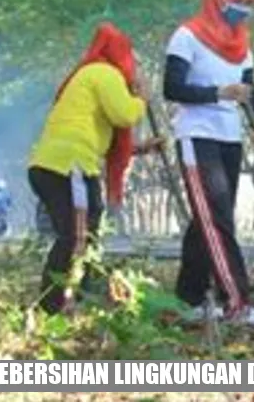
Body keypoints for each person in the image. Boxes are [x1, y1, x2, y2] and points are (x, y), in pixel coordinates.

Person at [163, 0, 254, 325]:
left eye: (248, 2)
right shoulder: (187, 36)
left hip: (230, 136)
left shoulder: (242, 44)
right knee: (218, 217)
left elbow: (249, 88)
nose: (242, 9)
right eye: (237, 1)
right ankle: (236, 302)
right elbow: (172, 88)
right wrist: (217, 93)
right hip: (198, 135)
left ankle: (188, 299)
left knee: (206, 219)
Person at [27, 22, 159, 313]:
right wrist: (142, 99)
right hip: (68, 166)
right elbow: (124, 115)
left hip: (59, 165)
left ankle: (78, 294)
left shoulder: (90, 74)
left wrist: (140, 148)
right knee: (77, 235)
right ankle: (57, 304)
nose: (135, 68)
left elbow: (97, 135)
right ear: (120, 54)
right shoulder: (105, 72)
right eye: (133, 60)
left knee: (87, 228)